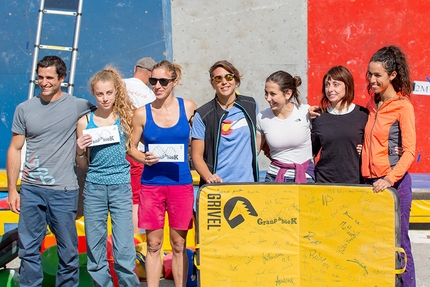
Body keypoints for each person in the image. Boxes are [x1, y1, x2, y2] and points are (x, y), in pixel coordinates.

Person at [6, 55, 94, 287]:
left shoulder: (79, 105)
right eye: (40, 77)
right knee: (28, 250)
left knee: (68, 253)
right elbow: (15, 148)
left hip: (64, 191)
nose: (43, 82)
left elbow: (111, 112)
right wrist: (12, 190)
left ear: (62, 78)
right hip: (31, 189)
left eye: (49, 78)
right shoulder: (24, 109)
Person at [128, 60, 196, 287]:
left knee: (179, 244)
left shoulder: (188, 107)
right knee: (154, 245)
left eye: (163, 81)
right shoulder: (141, 113)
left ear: (174, 81)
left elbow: (203, 138)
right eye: (153, 81)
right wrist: (143, 157)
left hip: (181, 185)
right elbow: (131, 147)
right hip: (152, 185)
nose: (157, 85)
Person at [76, 67, 140, 286]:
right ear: (94, 94)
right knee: (95, 250)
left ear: (116, 93)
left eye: (109, 93)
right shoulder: (85, 121)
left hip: (121, 187)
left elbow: (134, 149)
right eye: (100, 94)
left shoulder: (125, 119)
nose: (104, 98)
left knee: (124, 248)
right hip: (94, 187)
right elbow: (83, 164)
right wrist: (79, 150)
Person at [361, 45, 416, 287]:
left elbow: (410, 151)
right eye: (370, 74)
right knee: (373, 242)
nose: (372, 80)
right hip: (369, 183)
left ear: (392, 76)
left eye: (377, 75)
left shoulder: (403, 106)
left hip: (393, 185)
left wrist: (389, 179)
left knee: (399, 243)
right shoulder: (372, 105)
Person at [191, 60, 259, 185]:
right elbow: (197, 156)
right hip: (218, 185)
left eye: (229, 77)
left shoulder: (251, 105)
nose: (224, 82)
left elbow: (259, 134)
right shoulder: (203, 115)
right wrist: (209, 177)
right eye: (218, 79)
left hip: (248, 183)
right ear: (212, 83)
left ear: (236, 79)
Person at [311, 66, 368, 183]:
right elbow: (311, 151)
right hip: (324, 182)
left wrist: (367, 150)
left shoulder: (363, 115)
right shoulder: (318, 116)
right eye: (327, 84)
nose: (330, 89)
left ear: (347, 86)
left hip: (355, 182)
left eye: (335, 84)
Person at [257, 70, 315, 183]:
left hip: (305, 177)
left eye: (273, 94)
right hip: (273, 178)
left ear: (288, 94)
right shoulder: (262, 117)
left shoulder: (305, 112)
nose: (268, 98)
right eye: (266, 93)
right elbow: (254, 152)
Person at [123, 57, 157, 234]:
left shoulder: (119, 84)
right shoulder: (151, 96)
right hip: (137, 152)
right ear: (151, 76)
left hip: (114, 150)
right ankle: (135, 241)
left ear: (135, 68)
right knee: (135, 199)